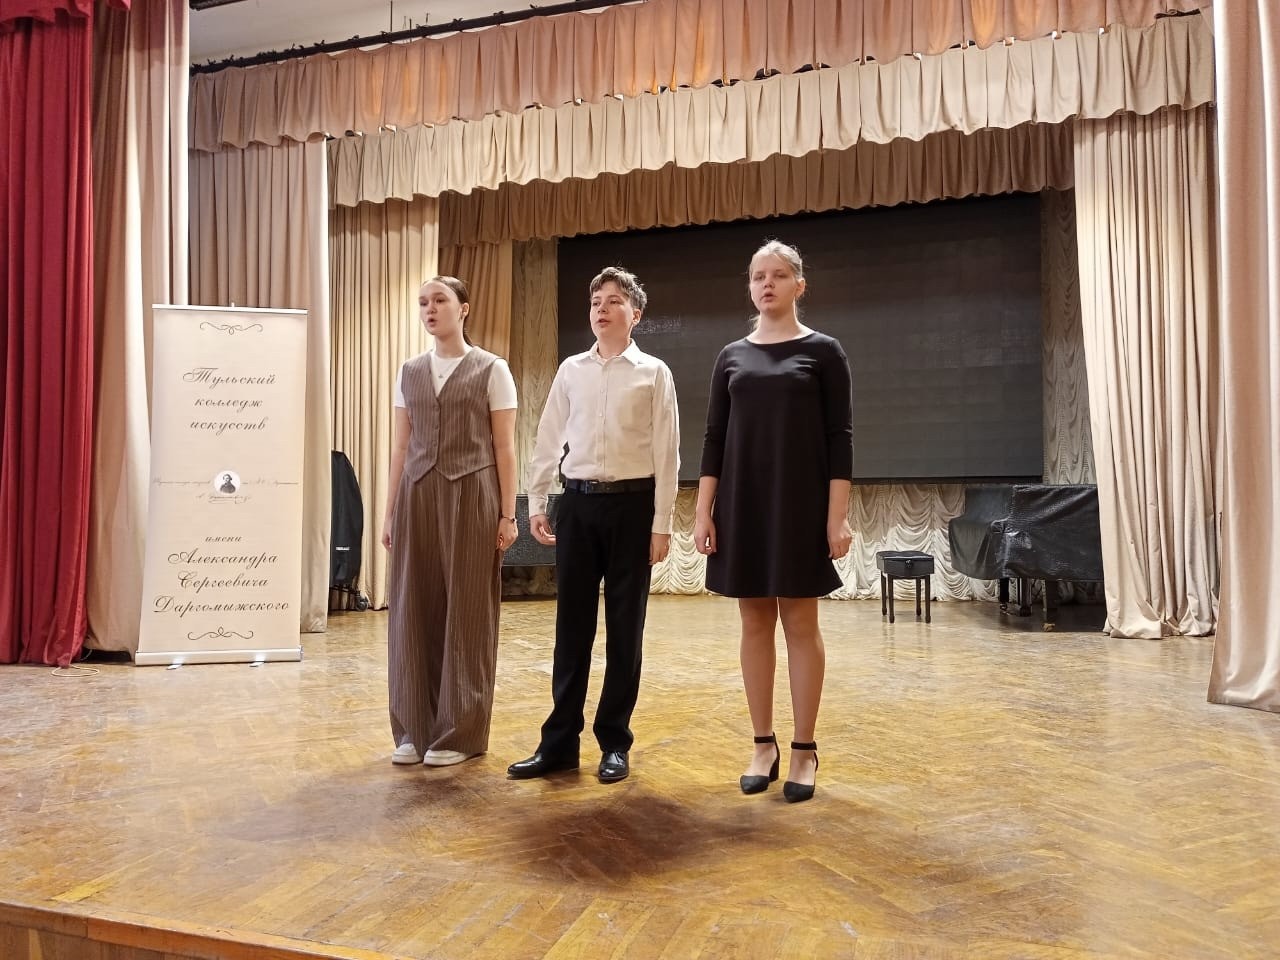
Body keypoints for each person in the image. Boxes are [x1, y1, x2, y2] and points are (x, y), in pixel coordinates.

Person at [694, 240, 853, 803]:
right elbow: (714, 438)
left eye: (779, 275)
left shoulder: (824, 351)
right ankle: (763, 744)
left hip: (802, 503)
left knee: (801, 623)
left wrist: (837, 519)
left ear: (798, 285)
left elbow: (840, 441)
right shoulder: (730, 356)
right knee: (754, 622)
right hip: (744, 503)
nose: (767, 284)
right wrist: (703, 510)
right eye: (758, 275)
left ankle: (805, 749)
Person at [507, 266, 680, 784]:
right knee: (571, 630)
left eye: (613, 301)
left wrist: (662, 523)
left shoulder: (654, 373)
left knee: (625, 631)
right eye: (595, 302)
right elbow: (547, 436)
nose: (601, 309)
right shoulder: (571, 370)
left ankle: (614, 742)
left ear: (635, 314)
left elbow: (667, 452)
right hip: (578, 506)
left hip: (633, 508)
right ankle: (559, 743)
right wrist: (539, 501)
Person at [381, 276, 519, 768]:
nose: (429, 308)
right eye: (423, 302)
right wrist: (390, 511)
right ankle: (412, 729)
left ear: (464, 308)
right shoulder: (409, 371)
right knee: (411, 608)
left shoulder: (492, 369)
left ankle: (460, 733)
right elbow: (401, 446)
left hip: (473, 495)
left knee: (468, 610)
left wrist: (509, 514)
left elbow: (505, 447)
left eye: (439, 300)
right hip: (417, 495)